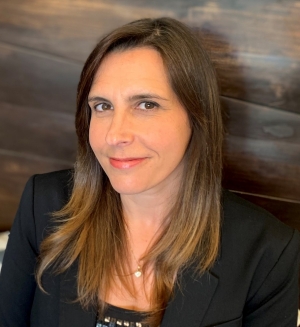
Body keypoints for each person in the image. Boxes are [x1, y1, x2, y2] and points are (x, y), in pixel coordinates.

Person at [0, 17, 299, 327]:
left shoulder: (267, 252)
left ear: (196, 117)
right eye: (102, 106)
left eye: (146, 105)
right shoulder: (43, 205)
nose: (115, 135)